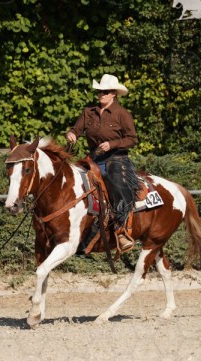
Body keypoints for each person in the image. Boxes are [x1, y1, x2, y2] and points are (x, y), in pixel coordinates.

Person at [66, 73, 140, 251]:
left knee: (117, 186)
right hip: (93, 158)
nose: (101, 95)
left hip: (116, 158)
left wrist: (112, 144)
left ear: (114, 93)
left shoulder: (122, 114)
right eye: (99, 91)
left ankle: (121, 231)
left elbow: (132, 139)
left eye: (105, 92)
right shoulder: (88, 112)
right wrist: (72, 134)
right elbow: (76, 129)